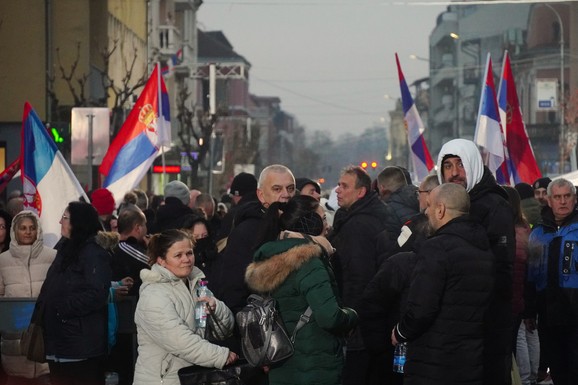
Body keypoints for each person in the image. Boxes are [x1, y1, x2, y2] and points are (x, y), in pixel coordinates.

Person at [245, 195, 358, 385]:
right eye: (322, 218)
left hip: (281, 363)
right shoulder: (309, 261)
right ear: (310, 224)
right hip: (315, 367)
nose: (327, 225)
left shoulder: (272, 257)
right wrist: (352, 316)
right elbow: (329, 317)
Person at [392, 183, 495, 385]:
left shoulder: (436, 248)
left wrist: (401, 331)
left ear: (441, 210)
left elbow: (422, 307)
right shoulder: (484, 249)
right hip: (470, 360)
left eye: (429, 205)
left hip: (434, 363)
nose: (426, 211)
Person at [437, 138, 515, 385]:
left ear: (473, 164)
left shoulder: (493, 204)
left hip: (486, 320)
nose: (454, 173)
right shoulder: (445, 205)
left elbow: (501, 267)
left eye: (460, 164)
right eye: (447, 166)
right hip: (456, 321)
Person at [133, 229, 237, 385]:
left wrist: (217, 308)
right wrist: (221, 356)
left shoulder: (197, 285)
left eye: (189, 253)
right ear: (161, 260)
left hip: (192, 377)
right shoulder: (153, 296)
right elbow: (180, 341)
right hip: (163, 380)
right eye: (178, 255)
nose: (186, 259)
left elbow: (223, 331)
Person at [39, 201, 117, 385]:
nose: (60, 222)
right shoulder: (66, 248)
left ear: (79, 223)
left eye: (65, 218)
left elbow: (96, 293)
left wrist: (61, 310)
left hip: (79, 345)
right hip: (60, 341)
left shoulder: (93, 253)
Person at [327, 165, 388, 385]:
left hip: (360, 324)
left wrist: (349, 318)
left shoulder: (358, 226)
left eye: (344, 186)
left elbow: (357, 277)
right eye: (338, 184)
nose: (337, 190)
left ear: (361, 192)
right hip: (374, 321)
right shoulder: (369, 215)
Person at [211, 164, 296, 314]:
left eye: (290, 188)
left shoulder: (298, 225)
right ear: (261, 195)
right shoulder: (247, 231)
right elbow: (233, 287)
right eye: (277, 189)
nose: (286, 194)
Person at [360, 214, 430, 385]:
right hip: (395, 353)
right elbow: (371, 306)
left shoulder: (404, 263)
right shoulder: (401, 264)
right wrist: (382, 349)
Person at [526, 178, 578, 385]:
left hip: (575, 310)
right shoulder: (538, 232)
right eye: (558, 197)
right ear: (549, 200)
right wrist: (529, 310)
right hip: (548, 311)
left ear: (575, 199)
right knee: (557, 368)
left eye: (567, 196)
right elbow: (530, 274)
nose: (563, 201)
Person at [0, 211, 56, 384]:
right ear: (15, 231)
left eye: (32, 228)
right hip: (13, 338)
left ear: (38, 230)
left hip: (45, 337)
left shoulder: (52, 256)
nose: (28, 232)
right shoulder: (2, 260)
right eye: (23, 228)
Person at [502, 186, 539, 385]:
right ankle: (530, 376)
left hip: (512, 295)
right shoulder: (525, 227)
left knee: (517, 341)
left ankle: (525, 379)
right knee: (525, 336)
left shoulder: (510, 231)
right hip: (523, 294)